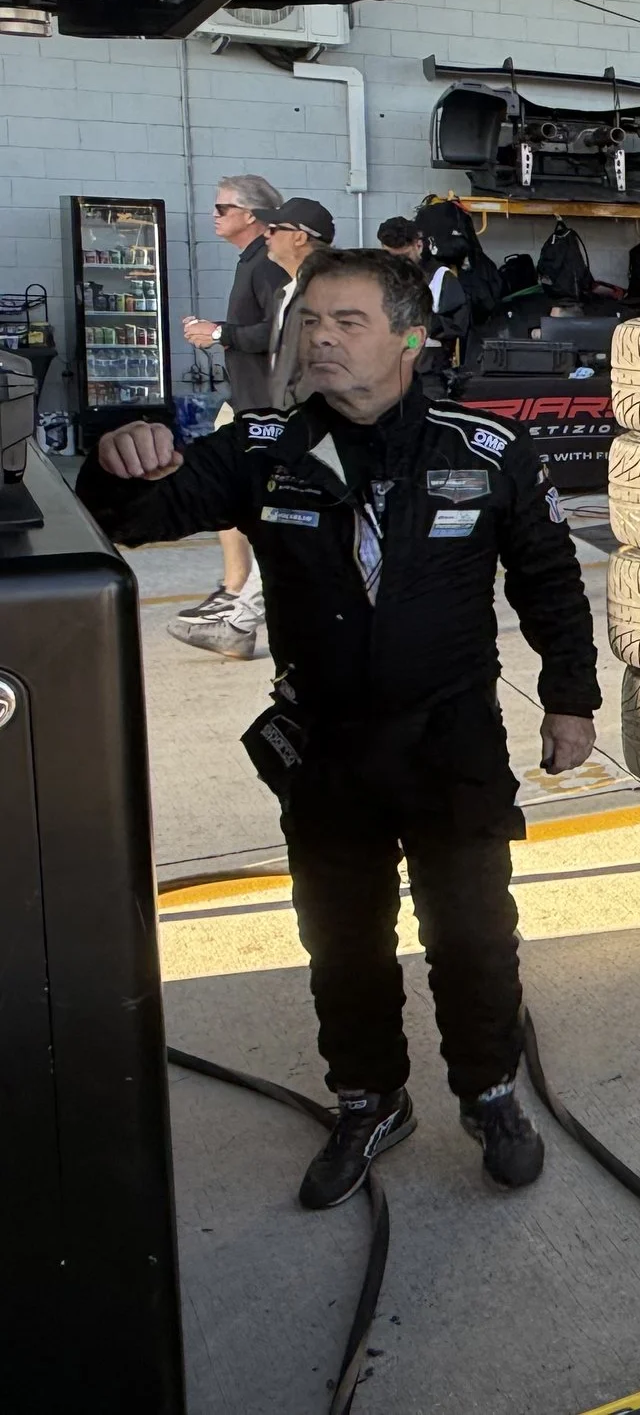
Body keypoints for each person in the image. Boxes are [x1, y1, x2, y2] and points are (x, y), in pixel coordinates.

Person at [78, 248, 600, 1210]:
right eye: (310, 320)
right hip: (325, 750)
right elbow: (139, 513)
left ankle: (489, 1093)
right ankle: (369, 1097)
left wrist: (571, 699)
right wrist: (117, 452)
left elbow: (550, 583)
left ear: (410, 336)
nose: (320, 337)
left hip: (452, 747)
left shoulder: (481, 450)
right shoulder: (262, 447)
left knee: (474, 935)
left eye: (347, 321)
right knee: (343, 939)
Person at [171, 173, 289, 656]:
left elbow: (281, 333)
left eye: (222, 209)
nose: (214, 216)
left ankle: (240, 614)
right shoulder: (254, 262)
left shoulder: (269, 265)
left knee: (279, 512)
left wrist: (218, 334)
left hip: (270, 407)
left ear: (252, 216)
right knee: (229, 492)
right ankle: (235, 590)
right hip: (246, 402)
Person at [379, 214, 472, 392]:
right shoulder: (381, 277)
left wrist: (423, 319)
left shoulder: (441, 278)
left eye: (404, 256)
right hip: (386, 375)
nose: (398, 263)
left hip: (427, 377)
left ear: (418, 245)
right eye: (390, 256)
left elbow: (459, 325)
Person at [261, 198, 335, 414]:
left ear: (300, 237)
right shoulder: (285, 292)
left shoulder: (326, 289)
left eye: (274, 229)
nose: (266, 234)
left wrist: (293, 402)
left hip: (310, 421)